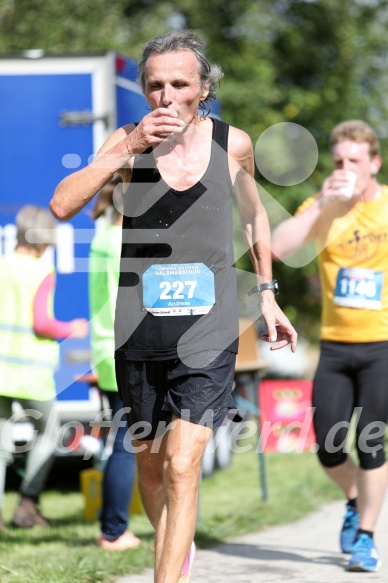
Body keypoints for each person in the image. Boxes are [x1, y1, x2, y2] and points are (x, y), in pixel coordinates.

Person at [51, 29, 297, 583]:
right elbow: (62, 205)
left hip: (207, 330)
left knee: (184, 463)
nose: (167, 96)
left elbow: (256, 215)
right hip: (139, 329)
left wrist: (267, 293)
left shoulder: (233, 144)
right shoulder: (126, 139)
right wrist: (129, 147)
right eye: (156, 85)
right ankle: (174, 552)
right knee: (152, 466)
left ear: (203, 87)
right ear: (144, 89)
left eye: (180, 84)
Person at [272, 120, 388, 573]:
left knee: (372, 443)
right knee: (328, 446)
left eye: (354, 161)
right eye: (338, 161)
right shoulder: (323, 208)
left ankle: (366, 536)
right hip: (336, 347)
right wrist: (322, 200)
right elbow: (280, 247)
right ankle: (354, 499)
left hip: (382, 345)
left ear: (373, 163)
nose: (345, 169)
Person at [0, 205, 87, 529]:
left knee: (0, 441)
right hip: (30, 371)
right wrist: (72, 328)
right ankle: (27, 505)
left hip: (1, 369)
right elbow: (42, 324)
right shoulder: (41, 272)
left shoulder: (2, 265)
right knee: (50, 432)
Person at [89, 176, 141, 551]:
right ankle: (114, 531)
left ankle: (111, 525)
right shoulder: (125, 241)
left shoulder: (101, 237)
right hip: (127, 347)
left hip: (104, 348)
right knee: (127, 444)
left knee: (118, 441)